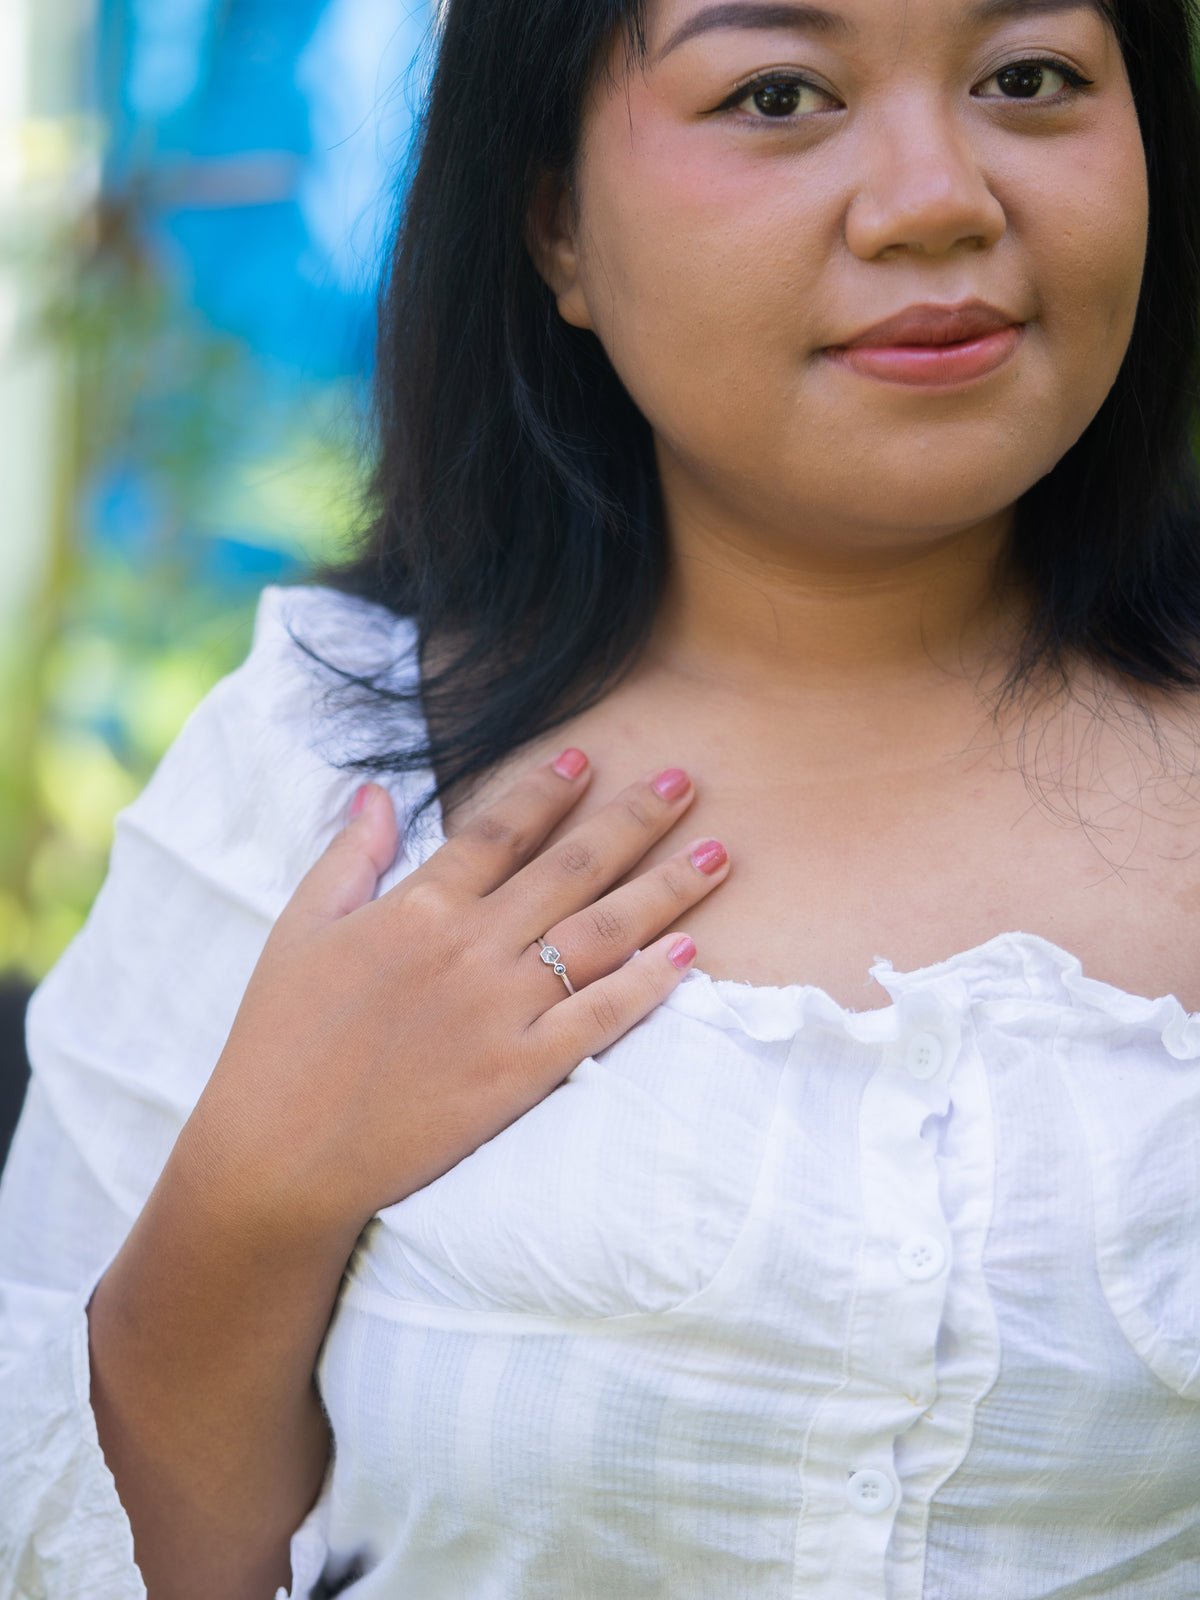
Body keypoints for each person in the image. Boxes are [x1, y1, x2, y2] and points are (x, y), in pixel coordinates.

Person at [3, 0, 1200, 1592]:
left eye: (1029, 78)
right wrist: (257, 1195)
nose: (938, 196)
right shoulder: (323, 774)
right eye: (778, 92)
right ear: (556, 222)